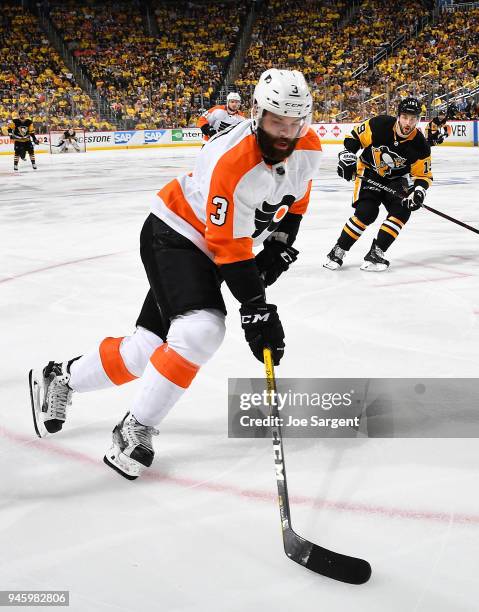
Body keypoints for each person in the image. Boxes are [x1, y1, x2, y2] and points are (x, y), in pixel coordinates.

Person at [29, 69, 322, 480]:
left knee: (145, 349)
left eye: (295, 123)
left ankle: (60, 377)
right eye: (277, 121)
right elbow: (227, 247)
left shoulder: (307, 148)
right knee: (202, 330)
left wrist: (279, 242)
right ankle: (134, 428)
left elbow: (296, 196)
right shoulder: (232, 160)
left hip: (213, 242)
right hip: (177, 234)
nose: (285, 134)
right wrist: (256, 308)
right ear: (258, 113)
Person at [323, 97, 432, 272]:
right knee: (367, 212)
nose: (408, 122)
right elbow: (354, 137)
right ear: (398, 116)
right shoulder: (379, 124)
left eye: (413, 119)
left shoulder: (421, 145)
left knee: (403, 210)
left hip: (397, 179)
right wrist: (347, 155)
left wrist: (418, 191)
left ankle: (376, 252)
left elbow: (423, 175)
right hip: (369, 171)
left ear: (418, 120)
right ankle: (339, 250)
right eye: (404, 117)